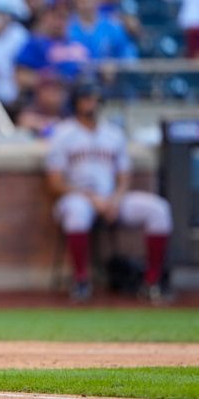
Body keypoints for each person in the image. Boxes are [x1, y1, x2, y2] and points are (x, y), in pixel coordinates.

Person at [46, 81, 173, 303]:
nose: (91, 104)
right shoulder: (62, 133)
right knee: (77, 212)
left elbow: (124, 176)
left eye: (95, 99)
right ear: (76, 102)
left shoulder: (113, 133)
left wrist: (115, 199)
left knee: (159, 209)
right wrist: (90, 197)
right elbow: (55, 182)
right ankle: (81, 282)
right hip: (78, 196)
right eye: (86, 99)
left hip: (112, 198)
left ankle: (152, 283)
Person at [15, 0, 91, 94]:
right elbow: (20, 77)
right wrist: (48, 80)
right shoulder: (36, 43)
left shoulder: (79, 44)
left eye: (64, 17)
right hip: (45, 100)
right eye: (55, 17)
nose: (59, 22)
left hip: (78, 98)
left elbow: (89, 70)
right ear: (46, 18)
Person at [68, 0, 138, 61]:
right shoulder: (68, 27)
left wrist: (115, 65)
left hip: (108, 71)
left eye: (91, 1)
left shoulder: (112, 26)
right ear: (76, 3)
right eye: (83, 2)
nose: (87, 6)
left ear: (98, 2)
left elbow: (126, 52)